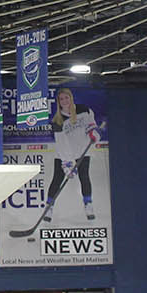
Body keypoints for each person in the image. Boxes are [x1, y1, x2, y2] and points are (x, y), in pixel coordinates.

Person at [42, 88, 102, 223]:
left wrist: (93, 133)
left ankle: (88, 205)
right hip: (63, 154)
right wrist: (68, 164)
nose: (64, 101)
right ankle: (49, 207)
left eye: (66, 98)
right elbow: (62, 144)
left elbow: (91, 124)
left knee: (84, 176)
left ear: (71, 98)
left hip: (82, 152)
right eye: (61, 99)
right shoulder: (57, 121)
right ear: (58, 102)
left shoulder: (84, 109)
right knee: (57, 179)